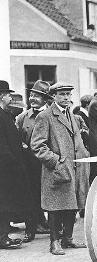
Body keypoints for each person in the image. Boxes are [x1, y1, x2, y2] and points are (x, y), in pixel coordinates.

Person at [31, 82, 90, 255]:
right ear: (53, 96)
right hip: (57, 169)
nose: (66, 97)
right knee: (56, 207)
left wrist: (83, 155)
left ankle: (68, 238)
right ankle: (54, 241)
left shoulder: (71, 114)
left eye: (68, 94)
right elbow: (37, 146)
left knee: (72, 204)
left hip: (75, 168)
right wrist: (56, 162)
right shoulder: (46, 116)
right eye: (62, 94)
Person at [16, 80, 54, 242]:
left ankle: (53, 228)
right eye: (31, 95)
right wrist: (22, 145)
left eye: (37, 96)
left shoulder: (52, 116)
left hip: (48, 163)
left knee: (51, 195)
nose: (32, 98)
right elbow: (16, 138)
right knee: (30, 196)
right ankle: (30, 229)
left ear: (45, 99)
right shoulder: (22, 117)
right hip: (29, 164)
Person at [0, 80, 33, 249]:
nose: (9, 97)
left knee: (5, 202)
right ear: (1, 96)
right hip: (5, 168)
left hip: (7, 166)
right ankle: (2, 238)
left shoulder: (4, 113)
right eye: (7, 94)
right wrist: (13, 163)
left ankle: (3, 232)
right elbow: (2, 145)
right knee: (4, 202)